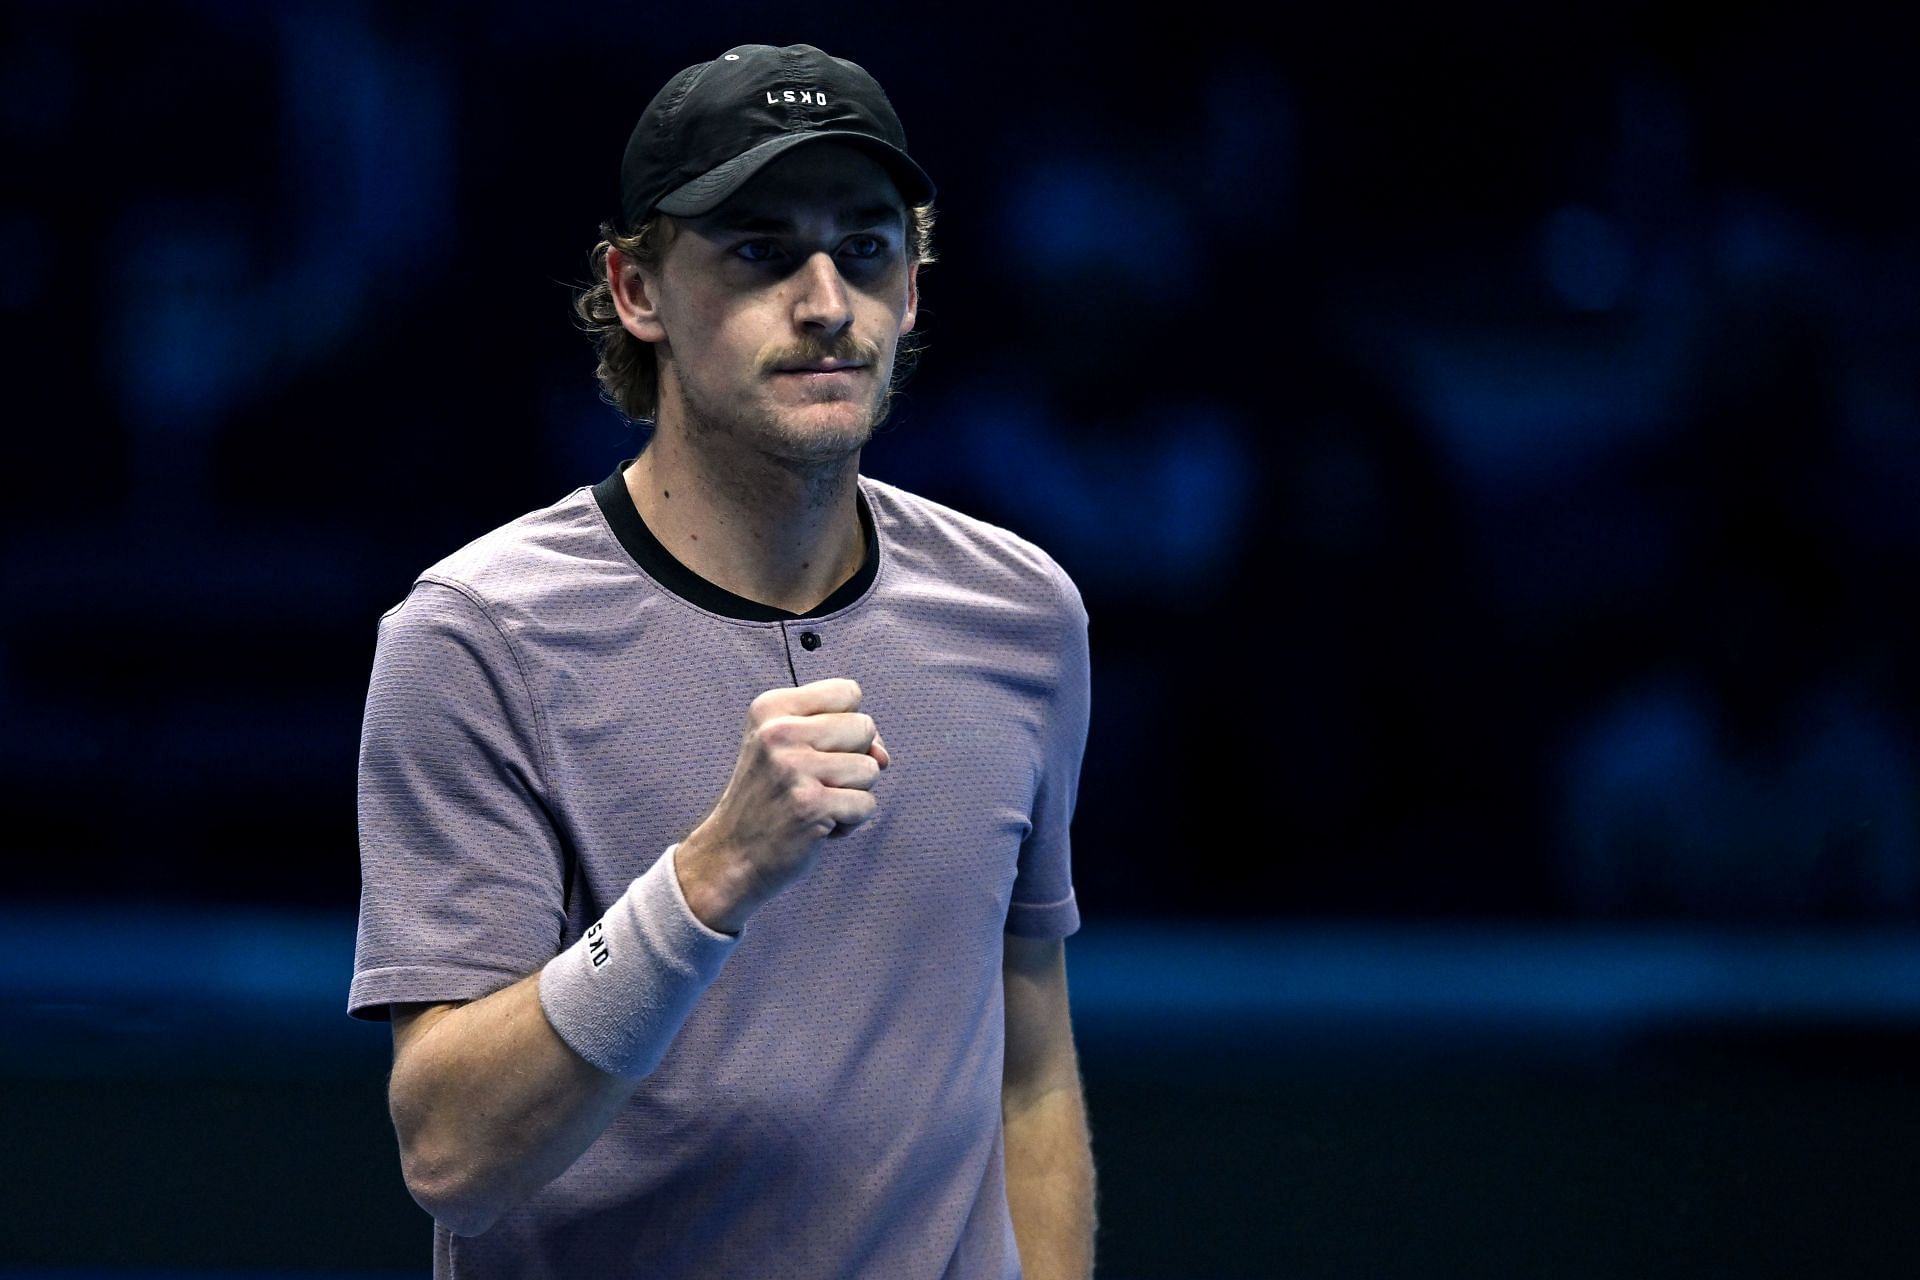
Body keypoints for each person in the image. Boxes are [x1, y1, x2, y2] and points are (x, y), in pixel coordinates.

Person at [347, 43, 1096, 1279]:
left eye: (864, 248)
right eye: (758, 251)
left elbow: (1029, 1063)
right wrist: (710, 875)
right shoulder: (474, 634)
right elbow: (451, 1153)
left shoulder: (1022, 612)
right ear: (635, 289)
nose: (823, 301)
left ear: (912, 286)